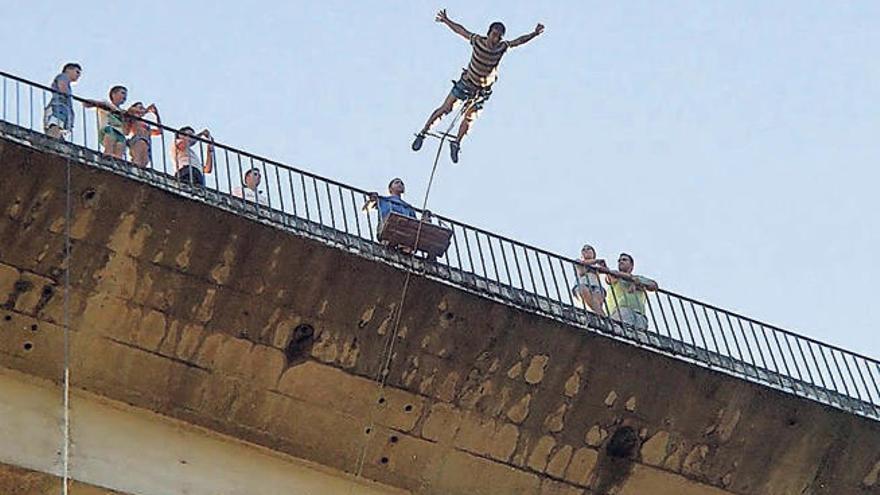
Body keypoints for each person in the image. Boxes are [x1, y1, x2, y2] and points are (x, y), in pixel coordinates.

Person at [411, 10, 544, 163]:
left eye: (499, 36)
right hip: (467, 83)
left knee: (470, 118)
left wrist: (534, 33)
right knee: (446, 108)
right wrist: (447, 21)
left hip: (482, 90)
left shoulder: (502, 47)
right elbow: (461, 31)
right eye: (494, 34)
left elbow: (519, 41)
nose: (495, 39)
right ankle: (423, 133)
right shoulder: (478, 41)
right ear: (489, 33)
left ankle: (456, 143)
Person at [605, 253, 659, 332]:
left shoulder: (639, 278)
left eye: (624, 260)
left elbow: (654, 285)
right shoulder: (616, 276)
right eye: (619, 260)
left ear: (631, 265)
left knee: (640, 338)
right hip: (621, 310)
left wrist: (637, 283)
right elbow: (611, 276)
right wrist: (633, 280)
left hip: (639, 313)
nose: (621, 262)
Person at [84, 86, 128, 159]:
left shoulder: (123, 112)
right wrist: (105, 106)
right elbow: (86, 104)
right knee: (109, 147)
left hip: (120, 133)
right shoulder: (106, 104)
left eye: (126, 95)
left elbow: (127, 131)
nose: (125, 96)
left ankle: (118, 162)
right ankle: (107, 158)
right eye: (122, 93)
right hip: (108, 129)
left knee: (119, 150)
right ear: (113, 94)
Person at [43, 63, 82, 140]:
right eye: (77, 72)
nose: (78, 76)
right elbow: (62, 87)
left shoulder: (65, 80)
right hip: (59, 107)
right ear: (68, 70)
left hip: (62, 108)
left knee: (58, 128)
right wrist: (66, 94)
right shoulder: (63, 76)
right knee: (56, 125)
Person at [572, 244, 607, 316]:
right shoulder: (578, 261)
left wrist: (603, 265)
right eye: (583, 249)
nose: (586, 250)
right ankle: (602, 315)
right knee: (584, 290)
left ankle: (600, 314)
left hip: (596, 287)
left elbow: (606, 271)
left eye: (589, 249)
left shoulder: (596, 267)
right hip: (582, 285)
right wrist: (596, 261)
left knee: (596, 299)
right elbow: (581, 268)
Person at [125, 102, 161, 168]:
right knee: (137, 159)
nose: (141, 110)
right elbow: (130, 110)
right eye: (140, 108)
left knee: (145, 161)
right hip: (137, 139)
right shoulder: (133, 119)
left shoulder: (145, 124)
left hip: (146, 141)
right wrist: (147, 110)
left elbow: (159, 131)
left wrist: (157, 115)